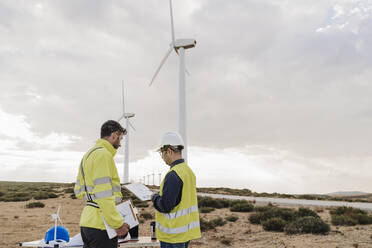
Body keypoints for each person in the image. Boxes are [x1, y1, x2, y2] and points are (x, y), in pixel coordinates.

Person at [74, 120, 130, 248]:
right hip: (101, 225)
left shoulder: (88, 155)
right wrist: (117, 224)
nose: (120, 144)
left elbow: (78, 191)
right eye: (120, 138)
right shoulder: (104, 155)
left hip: (87, 223)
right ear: (114, 135)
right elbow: (104, 195)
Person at [151, 132, 201, 248]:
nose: (162, 157)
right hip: (184, 234)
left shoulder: (173, 174)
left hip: (172, 237)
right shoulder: (188, 171)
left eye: (162, 153)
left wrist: (154, 198)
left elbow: (166, 206)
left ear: (169, 151)